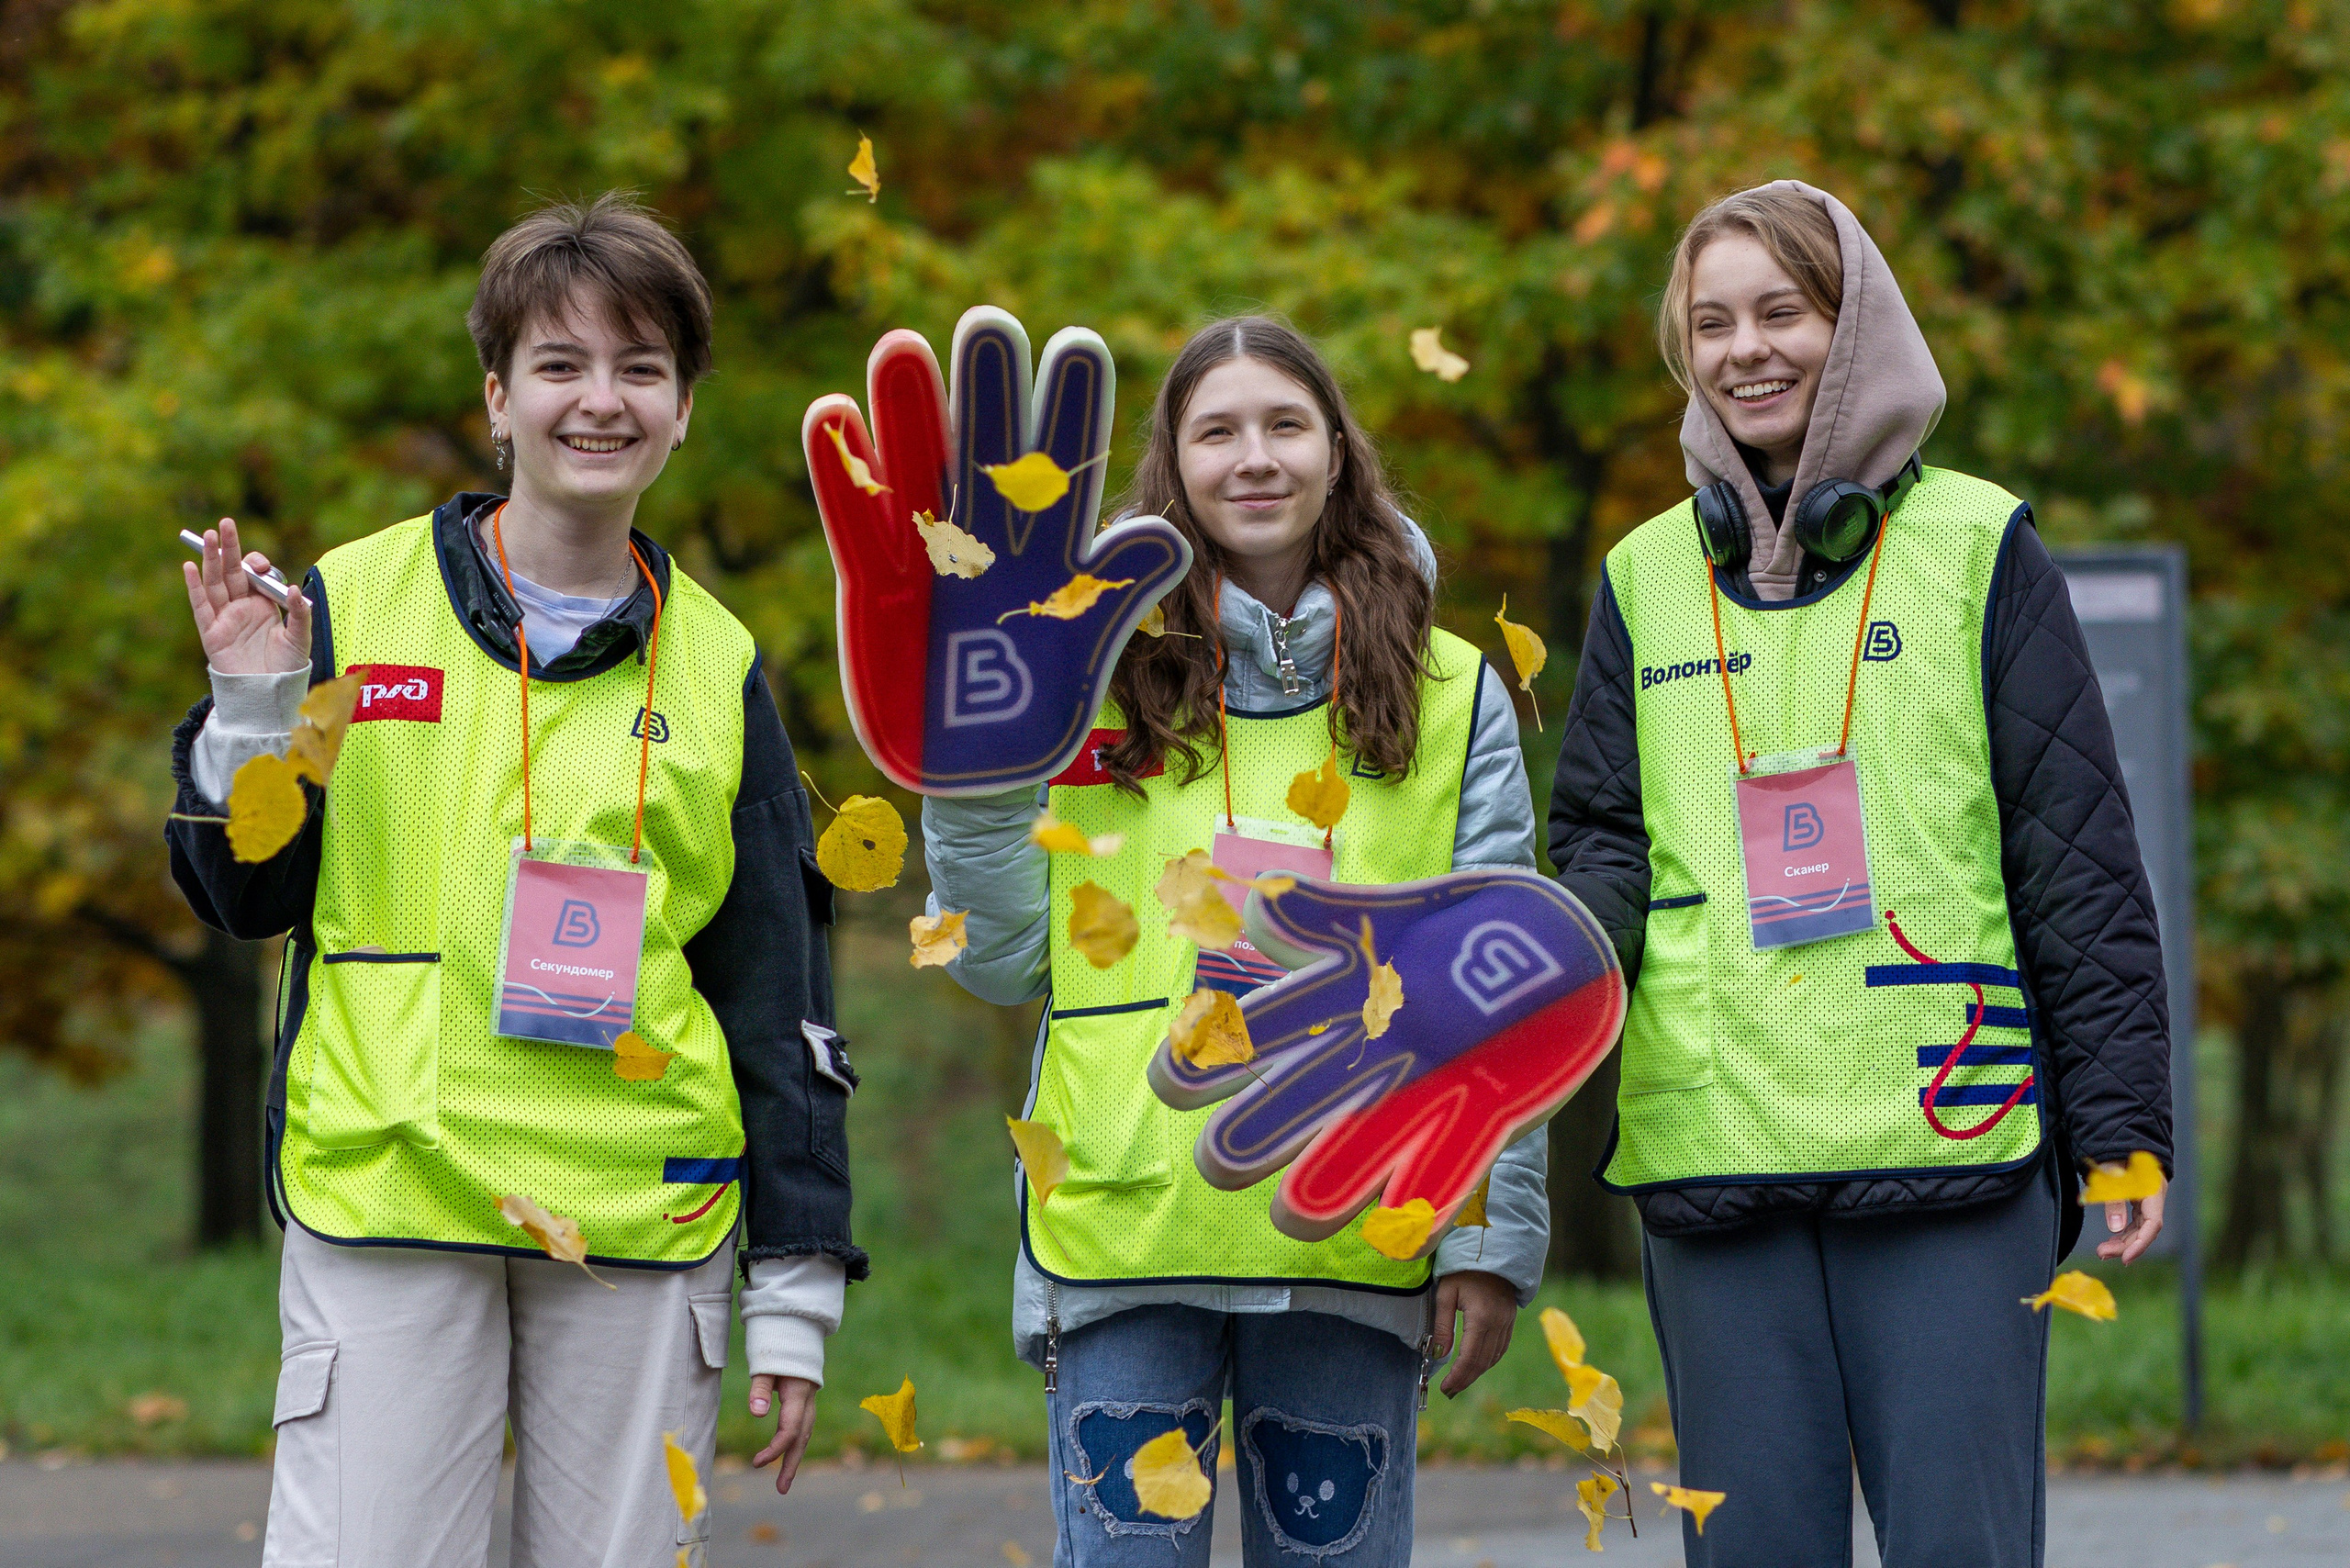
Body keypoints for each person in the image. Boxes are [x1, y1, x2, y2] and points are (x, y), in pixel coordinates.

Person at [166, 193, 856, 1568]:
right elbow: (244, 900)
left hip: (642, 1209)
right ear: (497, 396)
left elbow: (777, 987)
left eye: (640, 369)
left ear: (683, 411)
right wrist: (249, 712)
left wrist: (795, 1287)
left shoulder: (719, 665)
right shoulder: (345, 608)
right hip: (393, 1192)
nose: (600, 402)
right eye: (560, 365)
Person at [1547, 181, 2173, 1566]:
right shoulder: (1643, 576)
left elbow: (2075, 855)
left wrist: (2122, 1122)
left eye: (1784, 311)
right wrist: (1534, 977)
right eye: (1710, 323)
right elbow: (1597, 845)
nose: (1745, 349)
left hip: (1951, 1155)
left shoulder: (1978, 547)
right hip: (1714, 1158)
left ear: (1857, 326)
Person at [924, 316, 1547, 1566]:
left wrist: (1487, 1239)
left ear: (1337, 452)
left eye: (1284, 425)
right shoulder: (1078, 670)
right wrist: (974, 776)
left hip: (1356, 1224)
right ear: (1174, 465)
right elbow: (997, 961)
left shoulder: (1451, 688)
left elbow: (1501, 988)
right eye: (1218, 431)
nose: (1253, 458)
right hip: (1123, 1229)